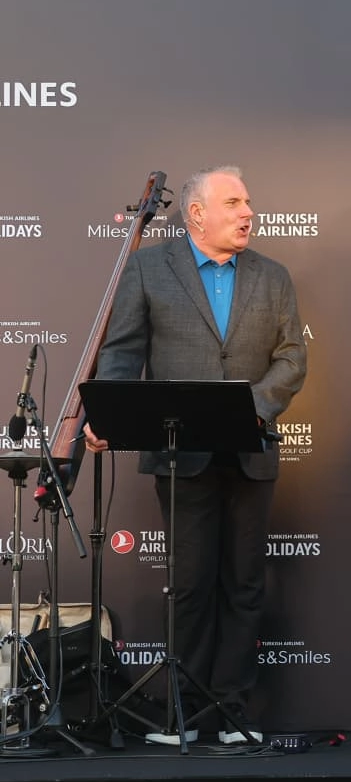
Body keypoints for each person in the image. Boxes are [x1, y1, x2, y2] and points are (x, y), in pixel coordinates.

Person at [86, 165, 307, 745]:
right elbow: (123, 350)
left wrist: (252, 409)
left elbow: (292, 358)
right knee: (187, 586)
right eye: (234, 203)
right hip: (180, 454)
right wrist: (108, 415)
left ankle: (232, 713)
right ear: (197, 214)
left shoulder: (273, 276)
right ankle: (182, 715)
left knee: (244, 586)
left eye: (248, 202)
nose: (248, 212)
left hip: (250, 450)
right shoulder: (148, 268)